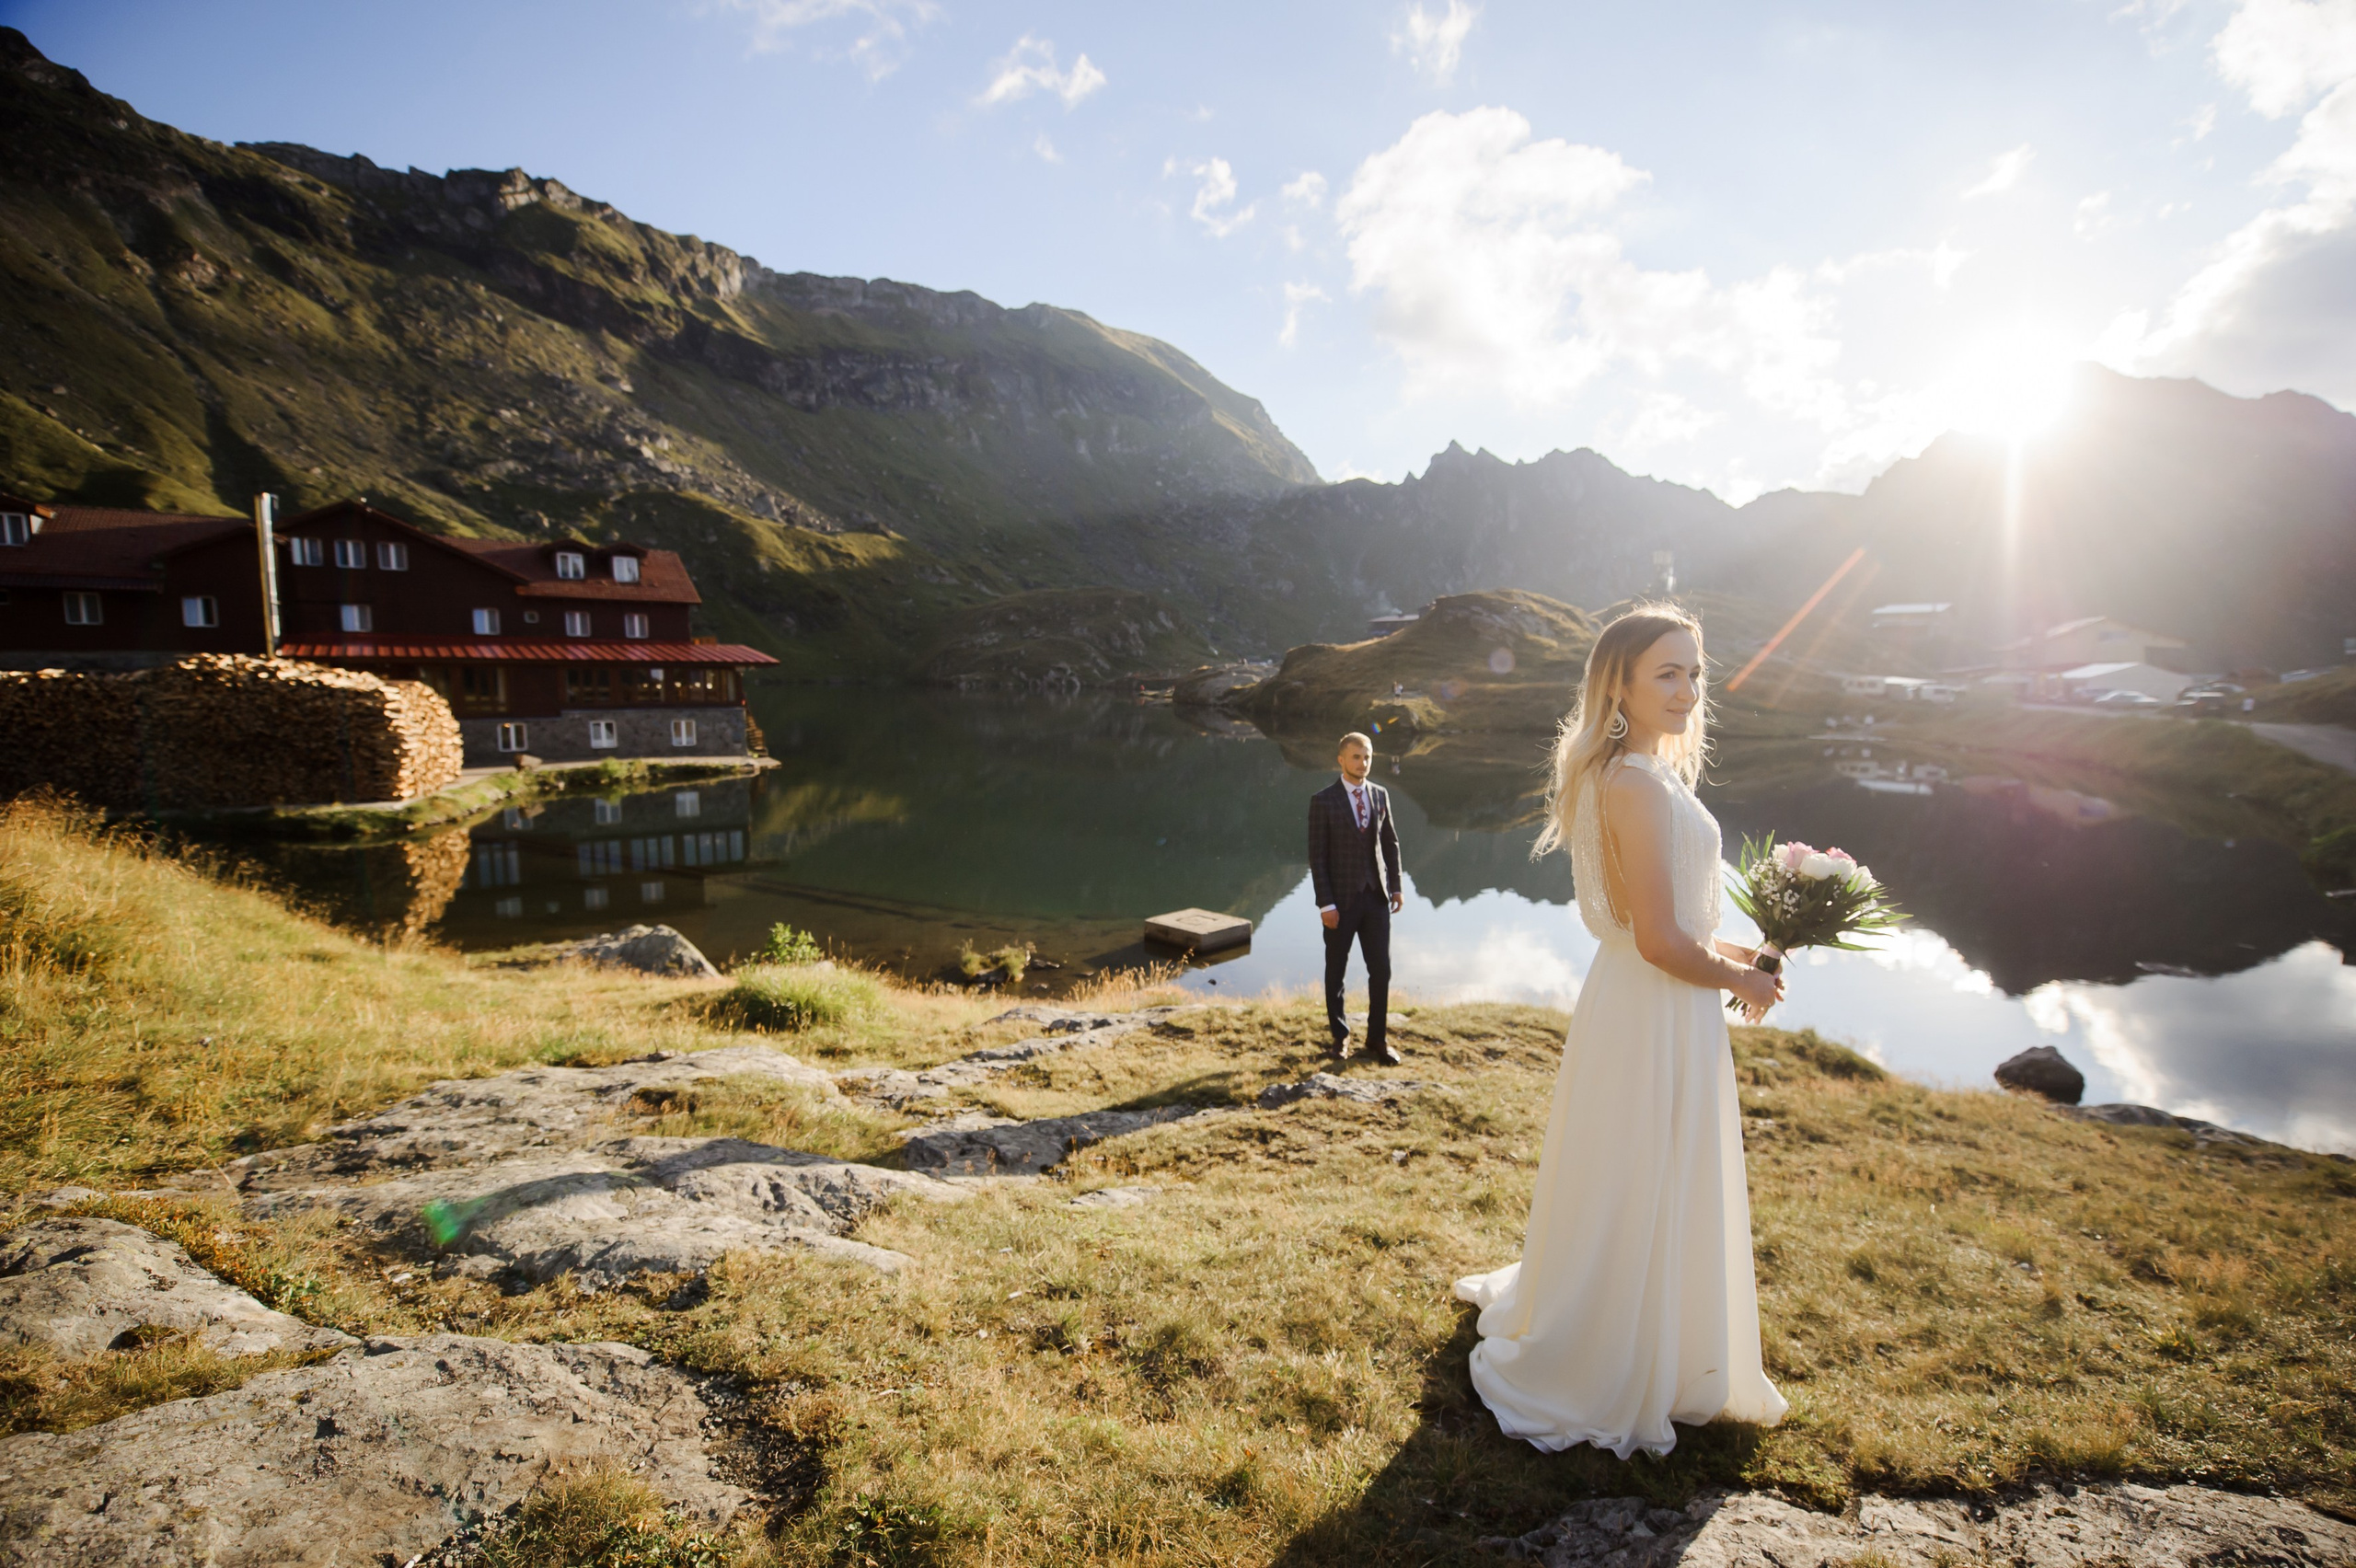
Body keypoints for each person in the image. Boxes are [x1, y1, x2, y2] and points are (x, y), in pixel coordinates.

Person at [1452, 604, 1788, 1458]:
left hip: (1653, 1000)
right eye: (1667, 673)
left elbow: (1674, 919)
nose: (1688, 688)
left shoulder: (1646, 775)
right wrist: (1741, 980)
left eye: (1695, 671)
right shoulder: (1635, 784)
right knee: (1641, 1168)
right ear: (1622, 687)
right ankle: (1611, 1354)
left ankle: (1667, 1343)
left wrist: (1746, 947)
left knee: (1650, 1168)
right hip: (1651, 1005)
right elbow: (1659, 942)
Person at [1307, 731, 1403, 1065]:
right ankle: (1340, 1036)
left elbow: (1389, 843)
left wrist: (1396, 887)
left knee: (1382, 970)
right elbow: (1317, 857)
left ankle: (1377, 1039)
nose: (1363, 763)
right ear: (1341, 759)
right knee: (1336, 970)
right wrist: (1326, 904)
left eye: (1367, 757)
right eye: (1356, 757)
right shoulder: (1323, 800)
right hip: (1340, 903)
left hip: (1376, 899)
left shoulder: (1380, 795)